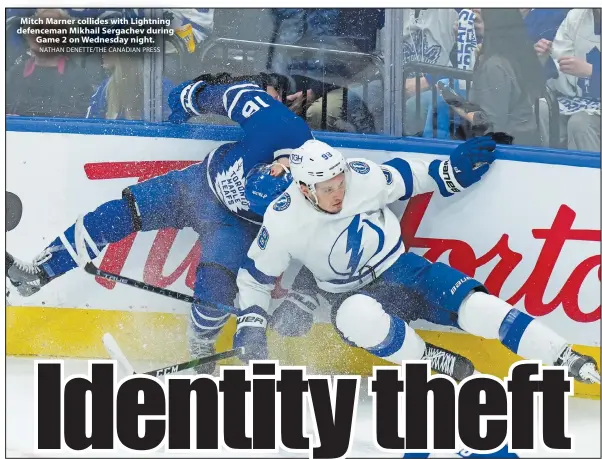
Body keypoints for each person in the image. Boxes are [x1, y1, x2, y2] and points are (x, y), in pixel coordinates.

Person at [6, 73, 318, 374]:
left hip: (236, 228)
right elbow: (194, 96)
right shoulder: (271, 118)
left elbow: (326, 242)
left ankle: (200, 344)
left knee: (213, 298)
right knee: (119, 214)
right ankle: (41, 273)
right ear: (277, 166)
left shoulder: (315, 190)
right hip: (196, 187)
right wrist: (185, 103)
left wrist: (301, 299)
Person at [232, 136, 600, 384]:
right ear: (303, 188)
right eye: (327, 188)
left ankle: (565, 357)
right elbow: (255, 278)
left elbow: (406, 176)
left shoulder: (359, 177)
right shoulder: (283, 220)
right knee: (355, 317)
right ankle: (426, 358)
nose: (338, 192)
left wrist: (448, 172)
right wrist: (250, 324)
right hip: (350, 295)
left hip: (405, 269)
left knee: (480, 308)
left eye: (339, 181)